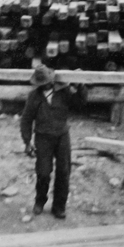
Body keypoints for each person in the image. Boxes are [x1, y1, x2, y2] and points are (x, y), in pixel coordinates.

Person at [20, 66, 87, 219]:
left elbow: (80, 104)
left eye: (48, 82)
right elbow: (26, 119)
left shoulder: (64, 92)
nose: (47, 85)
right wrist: (27, 141)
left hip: (62, 136)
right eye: (43, 83)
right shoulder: (34, 97)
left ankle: (59, 207)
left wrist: (81, 85)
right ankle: (40, 201)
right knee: (43, 172)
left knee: (63, 172)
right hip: (43, 138)